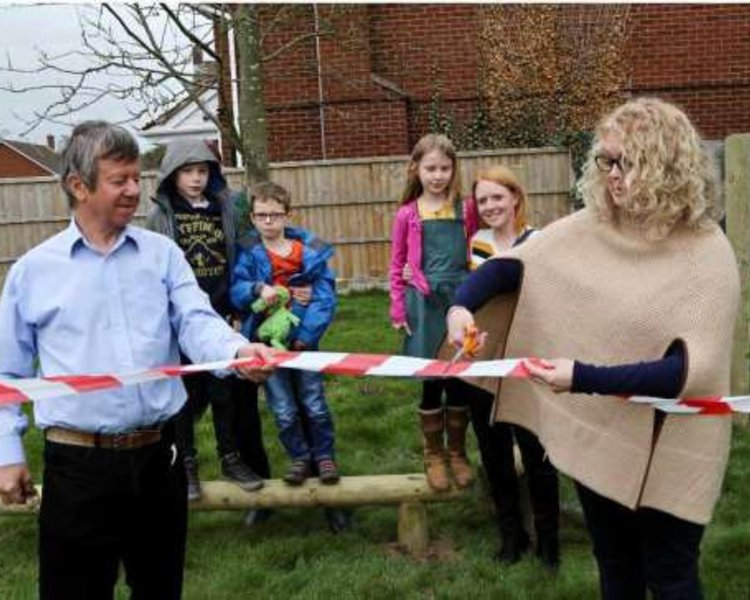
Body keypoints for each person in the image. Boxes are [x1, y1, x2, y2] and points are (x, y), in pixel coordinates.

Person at [447, 98, 739, 599]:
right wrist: (461, 307)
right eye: (604, 160)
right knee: (616, 564)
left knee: (672, 576)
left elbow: (688, 370)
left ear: (665, 166)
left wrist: (583, 376)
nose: (610, 175)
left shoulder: (706, 251)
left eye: (624, 162)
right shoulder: (590, 227)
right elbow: (512, 267)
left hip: (674, 445)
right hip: (602, 437)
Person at [0, 122, 273, 599]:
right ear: (78, 186)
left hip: (158, 461)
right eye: (119, 180)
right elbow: (7, 373)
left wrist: (236, 351)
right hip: (77, 467)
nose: (133, 191)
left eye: (135, 179)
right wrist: (7, 453)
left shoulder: (163, 256)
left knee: (160, 589)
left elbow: (196, 321)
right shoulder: (33, 273)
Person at [147, 138, 264, 500]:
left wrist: (238, 308)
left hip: (220, 313)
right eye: (187, 172)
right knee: (184, 397)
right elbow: (152, 272)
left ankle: (230, 458)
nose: (196, 179)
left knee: (224, 391)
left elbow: (241, 257)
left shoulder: (224, 210)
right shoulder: (162, 217)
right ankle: (187, 464)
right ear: (172, 175)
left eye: (202, 171)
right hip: (179, 320)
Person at [466, 165, 560, 569]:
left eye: (497, 197)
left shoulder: (540, 241)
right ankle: (512, 536)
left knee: (537, 453)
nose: (490, 206)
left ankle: (549, 541)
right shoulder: (478, 242)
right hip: (486, 358)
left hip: (530, 358)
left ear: (516, 198)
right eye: (482, 200)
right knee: (494, 451)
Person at [231, 181, 340, 486]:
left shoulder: (308, 253)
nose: (268, 221)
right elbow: (237, 290)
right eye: (262, 215)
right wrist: (256, 288)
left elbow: (325, 298)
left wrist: (306, 335)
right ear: (252, 218)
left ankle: (324, 456)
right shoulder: (249, 254)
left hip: (305, 346)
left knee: (314, 402)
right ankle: (300, 458)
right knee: (283, 409)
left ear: (288, 215)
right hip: (268, 347)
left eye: (275, 215)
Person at [388, 133, 478, 491]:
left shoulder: (466, 208)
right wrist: (398, 307)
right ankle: (434, 454)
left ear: (453, 169)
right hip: (423, 303)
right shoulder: (407, 214)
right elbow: (397, 265)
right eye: (430, 168)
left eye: (444, 168)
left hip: (460, 298)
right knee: (431, 378)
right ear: (416, 169)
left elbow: (478, 247)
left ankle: (457, 452)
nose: (437, 175)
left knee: (458, 376)